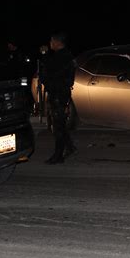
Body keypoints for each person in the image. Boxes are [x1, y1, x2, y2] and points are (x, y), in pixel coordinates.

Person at [40, 32, 77, 164]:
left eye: (51, 41)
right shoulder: (65, 56)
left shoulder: (60, 58)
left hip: (58, 94)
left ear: (56, 42)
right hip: (61, 92)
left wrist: (44, 56)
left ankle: (58, 155)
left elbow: (49, 73)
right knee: (59, 123)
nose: (50, 44)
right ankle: (69, 147)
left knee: (58, 125)